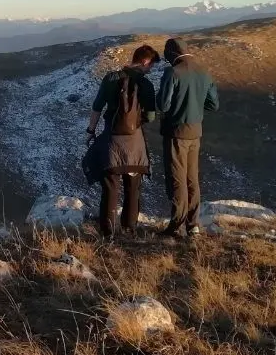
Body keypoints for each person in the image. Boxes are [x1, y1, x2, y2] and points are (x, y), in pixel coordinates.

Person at [84, 45, 160, 236]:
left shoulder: (111, 78)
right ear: (144, 62)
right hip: (135, 143)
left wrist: (90, 131)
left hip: (112, 141)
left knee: (110, 187)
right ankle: (129, 229)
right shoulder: (146, 86)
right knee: (133, 188)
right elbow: (151, 117)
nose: (150, 70)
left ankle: (108, 231)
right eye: (151, 66)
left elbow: (97, 107)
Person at [157, 38, 220, 237]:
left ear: (171, 54)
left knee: (177, 179)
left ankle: (176, 224)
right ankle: (193, 225)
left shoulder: (172, 72)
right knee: (192, 178)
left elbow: (163, 105)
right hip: (195, 132)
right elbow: (213, 105)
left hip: (176, 132)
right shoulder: (204, 72)